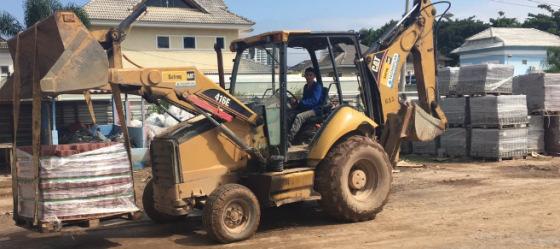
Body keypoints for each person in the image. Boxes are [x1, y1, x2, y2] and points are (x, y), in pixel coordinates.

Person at [288, 67, 323, 145]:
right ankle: (295, 137)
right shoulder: (305, 86)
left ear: (314, 76)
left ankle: (289, 138)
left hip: (315, 109)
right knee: (290, 113)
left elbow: (314, 101)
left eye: (310, 75)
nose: (308, 77)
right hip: (307, 108)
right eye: (306, 75)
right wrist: (296, 103)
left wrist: (300, 102)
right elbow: (305, 99)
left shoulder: (317, 87)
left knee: (299, 117)